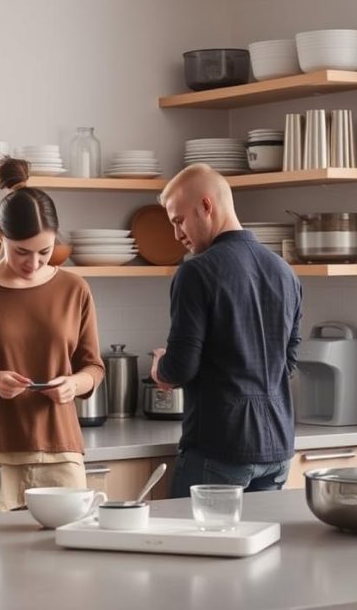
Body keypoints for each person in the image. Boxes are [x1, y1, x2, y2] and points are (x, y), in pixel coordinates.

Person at [0, 157, 105, 511]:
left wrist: (74, 385)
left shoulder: (75, 289)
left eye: (45, 252)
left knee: (66, 562)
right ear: (1, 236)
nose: (33, 263)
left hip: (61, 454)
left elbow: (93, 367)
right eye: (21, 252)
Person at [150, 163, 302, 498]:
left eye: (178, 220)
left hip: (219, 447)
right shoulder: (284, 272)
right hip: (277, 448)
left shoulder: (196, 273)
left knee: (187, 547)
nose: (176, 235)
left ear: (206, 205)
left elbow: (180, 367)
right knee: (258, 549)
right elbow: (288, 362)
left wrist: (161, 366)